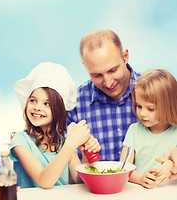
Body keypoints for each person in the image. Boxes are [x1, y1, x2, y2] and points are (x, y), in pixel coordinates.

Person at [10, 62, 101, 189]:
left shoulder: (64, 140)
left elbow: (79, 182)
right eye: (32, 100)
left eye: (46, 103)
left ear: (59, 110)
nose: (37, 107)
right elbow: (44, 181)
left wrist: (86, 154)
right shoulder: (20, 141)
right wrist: (71, 144)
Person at [67, 29, 140, 161]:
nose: (108, 82)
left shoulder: (157, 92)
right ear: (85, 66)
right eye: (97, 75)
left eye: (113, 70)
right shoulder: (74, 103)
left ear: (125, 56)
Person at [120, 69, 177, 189]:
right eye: (139, 106)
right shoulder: (134, 131)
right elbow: (124, 168)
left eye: (150, 109)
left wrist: (171, 167)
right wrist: (141, 178)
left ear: (169, 106)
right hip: (142, 193)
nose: (142, 113)